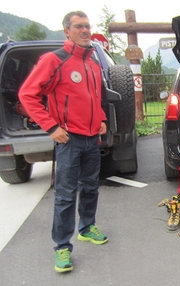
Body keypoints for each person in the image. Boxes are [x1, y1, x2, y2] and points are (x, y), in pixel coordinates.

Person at [18, 11, 108, 273]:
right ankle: (62, 248)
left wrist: (101, 118)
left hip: (92, 138)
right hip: (68, 139)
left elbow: (94, 96)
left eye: (87, 26)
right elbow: (27, 94)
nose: (85, 30)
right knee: (66, 195)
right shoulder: (54, 59)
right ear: (66, 32)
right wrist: (51, 126)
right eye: (79, 26)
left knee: (91, 187)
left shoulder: (92, 63)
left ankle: (87, 227)